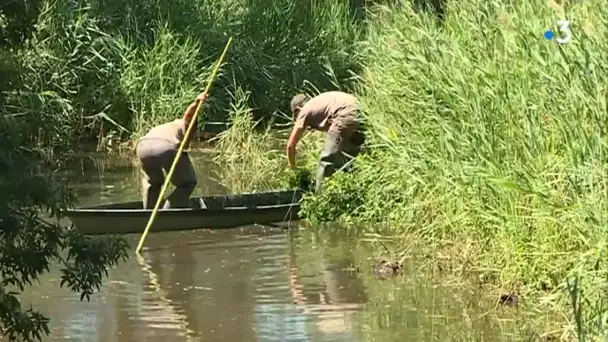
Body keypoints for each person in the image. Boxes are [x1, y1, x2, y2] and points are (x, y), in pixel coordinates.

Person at [135, 92, 208, 209]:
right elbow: (189, 116)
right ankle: (167, 212)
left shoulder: (166, 126)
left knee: (153, 182)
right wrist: (197, 103)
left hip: (143, 147)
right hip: (166, 145)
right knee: (187, 183)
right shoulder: (186, 125)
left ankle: (147, 213)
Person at [286, 91, 365, 193]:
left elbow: (290, 146)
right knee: (350, 157)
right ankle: (355, 190)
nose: (297, 120)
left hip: (344, 115)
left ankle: (319, 198)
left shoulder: (304, 111)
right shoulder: (319, 103)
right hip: (361, 109)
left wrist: (292, 168)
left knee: (326, 162)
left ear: (297, 110)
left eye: (295, 117)